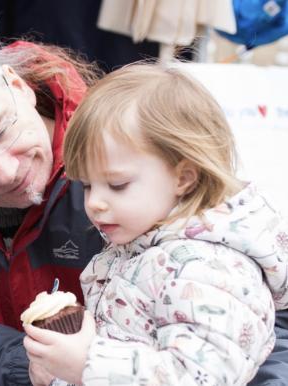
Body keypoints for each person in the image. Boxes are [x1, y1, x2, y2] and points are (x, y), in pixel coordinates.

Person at [0, 16, 288, 385]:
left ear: (18, 86)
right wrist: (22, 363)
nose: (4, 171)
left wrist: (86, 364)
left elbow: (263, 324)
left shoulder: (126, 145)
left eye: (1, 131)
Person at [22, 64, 288, 385]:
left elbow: (199, 377)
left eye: (117, 184)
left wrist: (88, 364)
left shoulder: (207, 268)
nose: (93, 203)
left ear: (184, 177)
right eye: (88, 185)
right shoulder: (140, 246)